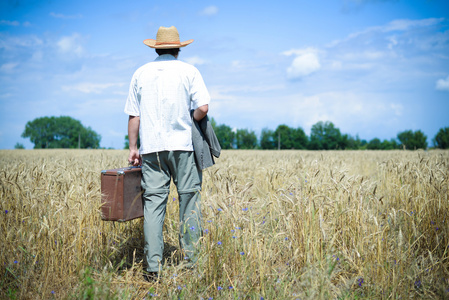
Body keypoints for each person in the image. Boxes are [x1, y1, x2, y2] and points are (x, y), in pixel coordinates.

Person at [124, 26, 210, 281]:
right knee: (189, 204)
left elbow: (134, 115)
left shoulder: (140, 73)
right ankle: (191, 265)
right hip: (184, 146)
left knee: (153, 206)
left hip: (152, 149)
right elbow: (203, 108)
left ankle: (152, 268)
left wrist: (133, 148)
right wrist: (191, 121)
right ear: (178, 48)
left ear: (156, 48)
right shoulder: (189, 71)